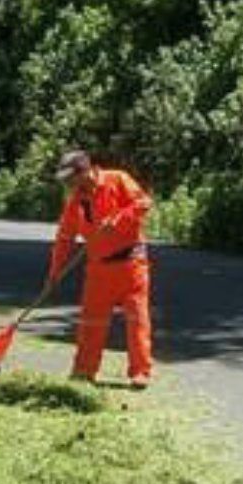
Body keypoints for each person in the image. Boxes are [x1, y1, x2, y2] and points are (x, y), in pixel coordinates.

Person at [46, 150, 153, 387]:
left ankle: (140, 372)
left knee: (137, 319)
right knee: (91, 321)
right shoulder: (75, 202)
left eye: (70, 179)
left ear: (85, 172)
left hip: (131, 263)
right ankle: (84, 370)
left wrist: (118, 219)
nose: (68, 185)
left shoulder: (118, 179)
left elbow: (144, 203)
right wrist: (55, 273)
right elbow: (64, 237)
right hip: (98, 268)